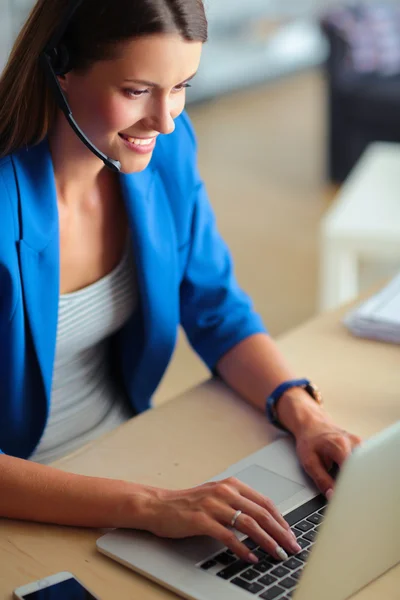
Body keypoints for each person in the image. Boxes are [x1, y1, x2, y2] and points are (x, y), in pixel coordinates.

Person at [0, 0, 361, 566]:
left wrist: (304, 415)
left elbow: (215, 307)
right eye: (138, 90)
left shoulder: (165, 153)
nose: (165, 120)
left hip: (123, 454)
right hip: (28, 499)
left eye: (182, 85)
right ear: (59, 65)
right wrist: (150, 506)